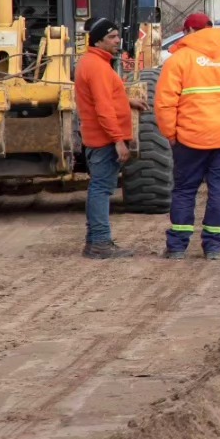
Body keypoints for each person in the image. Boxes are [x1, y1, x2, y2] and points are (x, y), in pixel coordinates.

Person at [155, 12, 220, 261]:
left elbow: (164, 103)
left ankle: (178, 246)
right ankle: (213, 246)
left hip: (189, 139)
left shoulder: (178, 61)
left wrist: (170, 133)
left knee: (184, 190)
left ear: (189, 31)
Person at [75, 18, 146, 260]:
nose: (118, 41)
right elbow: (103, 107)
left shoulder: (94, 63)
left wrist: (127, 101)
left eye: (118, 36)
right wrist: (117, 139)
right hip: (103, 140)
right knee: (101, 190)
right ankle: (101, 244)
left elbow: (105, 97)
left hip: (98, 137)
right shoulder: (96, 66)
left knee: (99, 188)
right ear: (98, 40)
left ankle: (94, 242)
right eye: (112, 37)